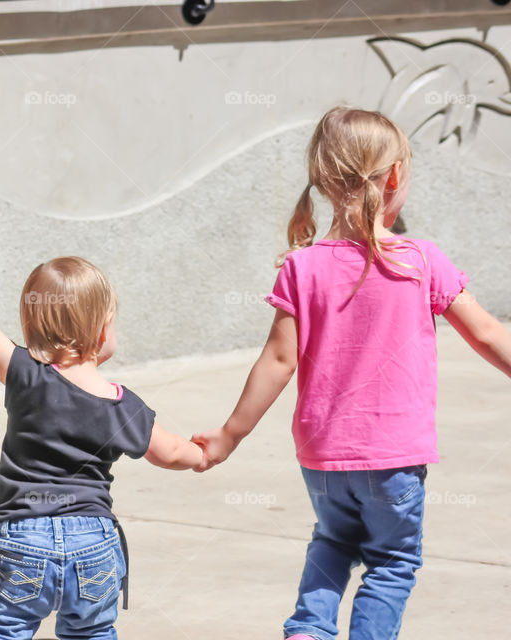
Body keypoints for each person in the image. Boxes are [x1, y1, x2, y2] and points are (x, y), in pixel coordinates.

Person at [193, 106, 511, 640]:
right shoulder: (421, 261)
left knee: (333, 541)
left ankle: (309, 630)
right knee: (392, 562)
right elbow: (486, 333)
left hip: (322, 459)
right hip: (394, 457)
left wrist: (229, 435)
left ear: (321, 180)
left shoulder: (302, 266)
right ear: (393, 178)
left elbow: (277, 359)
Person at [0, 250, 205, 640]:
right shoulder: (121, 405)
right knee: (91, 634)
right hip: (94, 546)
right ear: (104, 330)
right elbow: (171, 452)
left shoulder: (23, 374)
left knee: (0, 632)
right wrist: (203, 453)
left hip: (22, 541)